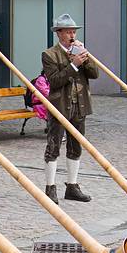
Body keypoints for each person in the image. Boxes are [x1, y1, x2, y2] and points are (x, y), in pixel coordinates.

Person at [42, 14, 98, 204]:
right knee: (54, 146)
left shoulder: (80, 51)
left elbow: (95, 74)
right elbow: (55, 81)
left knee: (76, 145)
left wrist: (86, 58)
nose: (72, 35)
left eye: (74, 31)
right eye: (68, 32)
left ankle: (72, 186)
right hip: (60, 105)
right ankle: (50, 187)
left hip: (80, 105)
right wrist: (73, 65)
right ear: (59, 34)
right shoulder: (49, 54)